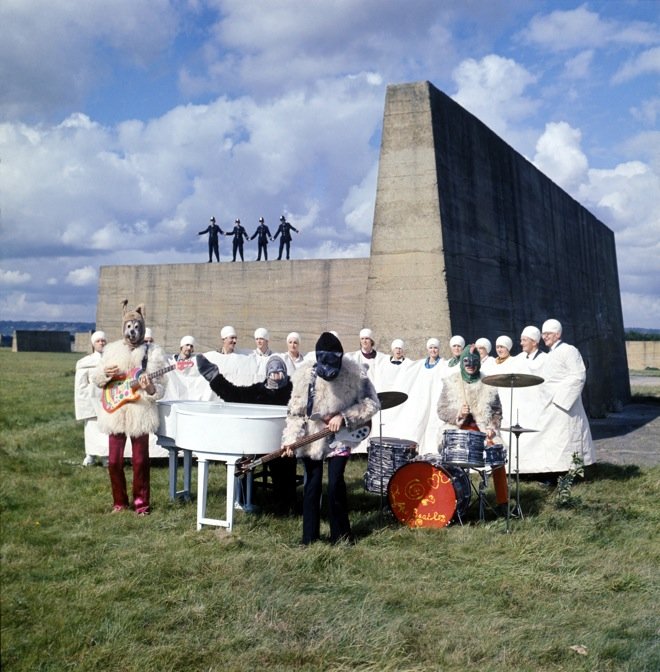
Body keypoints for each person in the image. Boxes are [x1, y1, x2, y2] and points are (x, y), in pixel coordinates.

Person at [282, 332, 380, 545]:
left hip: (341, 438)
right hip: (313, 436)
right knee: (312, 485)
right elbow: (296, 411)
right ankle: (309, 538)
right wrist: (290, 439)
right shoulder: (304, 375)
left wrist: (344, 417)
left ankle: (342, 536)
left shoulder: (355, 373)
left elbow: (372, 403)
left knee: (335, 483)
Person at [196, 354, 298, 514]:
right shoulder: (258, 391)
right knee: (242, 459)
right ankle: (243, 499)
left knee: (284, 465)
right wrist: (214, 377)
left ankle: (287, 504)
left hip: (285, 444)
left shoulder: (294, 391)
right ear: (267, 374)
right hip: (260, 443)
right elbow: (234, 394)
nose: (276, 375)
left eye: (280, 372)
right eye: (273, 372)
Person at [93, 301, 168, 515]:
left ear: (142, 328)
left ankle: (141, 504)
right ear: (123, 328)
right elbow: (96, 378)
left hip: (140, 411)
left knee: (141, 460)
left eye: (136, 327)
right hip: (115, 410)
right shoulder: (112, 350)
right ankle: (119, 502)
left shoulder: (153, 353)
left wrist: (151, 387)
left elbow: (162, 387)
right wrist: (105, 373)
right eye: (128, 327)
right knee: (114, 461)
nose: (132, 331)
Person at [437, 345, 507, 507]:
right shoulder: (451, 382)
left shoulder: (489, 384)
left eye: (474, 362)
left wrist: (493, 427)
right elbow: (441, 410)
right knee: (450, 452)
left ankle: (503, 501)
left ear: (479, 363)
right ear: (462, 363)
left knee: (498, 450)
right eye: (466, 362)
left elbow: (497, 411)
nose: (470, 366)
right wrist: (458, 414)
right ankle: (452, 499)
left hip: (483, 430)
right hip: (457, 429)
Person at [533, 319, 595, 476]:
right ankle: (556, 473)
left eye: (547, 334)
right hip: (552, 407)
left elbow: (578, 375)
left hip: (565, 406)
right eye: (543, 334)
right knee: (555, 441)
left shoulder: (569, 350)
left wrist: (560, 399)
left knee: (569, 440)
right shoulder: (550, 354)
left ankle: (572, 474)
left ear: (557, 334)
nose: (544, 337)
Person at [75, 330, 109, 466]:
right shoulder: (85, 362)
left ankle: (106, 456)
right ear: (93, 344)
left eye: (103, 341)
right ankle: (90, 455)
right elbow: (81, 386)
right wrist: (84, 404)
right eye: (98, 341)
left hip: (107, 400)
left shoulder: (111, 360)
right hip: (92, 400)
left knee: (106, 430)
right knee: (91, 430)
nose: (101, 343)